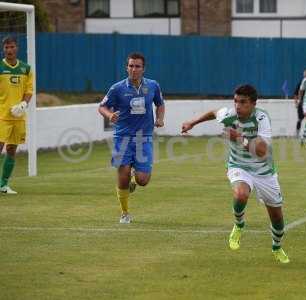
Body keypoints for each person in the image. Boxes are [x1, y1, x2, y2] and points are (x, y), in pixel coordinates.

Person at [181, 84, 290, 264]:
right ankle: (239, 225)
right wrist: (192, 123)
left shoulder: (262, 118)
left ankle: (276, 247)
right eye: (236, 101)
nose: (238, 106)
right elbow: (214, 112)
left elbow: (262, 151)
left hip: (264, 172)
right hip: (239, 166)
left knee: (277, 217)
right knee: (240, 194)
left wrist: (239, 137)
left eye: (243, 102)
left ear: (253, 104)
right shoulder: (229, 115)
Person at [98, 52, 165, 224]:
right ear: (126, 67)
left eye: (137, 66)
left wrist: (159, 118)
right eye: (131, 66)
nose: (133, 69)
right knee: (123, 174)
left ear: (143, 69)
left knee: (143, 180)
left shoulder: (153, 86)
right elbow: (102, 107)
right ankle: (125, 213)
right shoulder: (117, 88)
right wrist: (109, 114)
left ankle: (135, 179)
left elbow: (160, 104)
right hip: (123, 137)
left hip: (144, 137)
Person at [0, 36, 33, 194]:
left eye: (12, 47)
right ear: (3, 49)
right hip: (2, 116)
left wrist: (23, 104)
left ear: (17, 48)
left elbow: (29, 91)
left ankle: (3, 185)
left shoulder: (26, 69)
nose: (9, 50)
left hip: (18, 117)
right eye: (6, 47)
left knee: (12, 149)